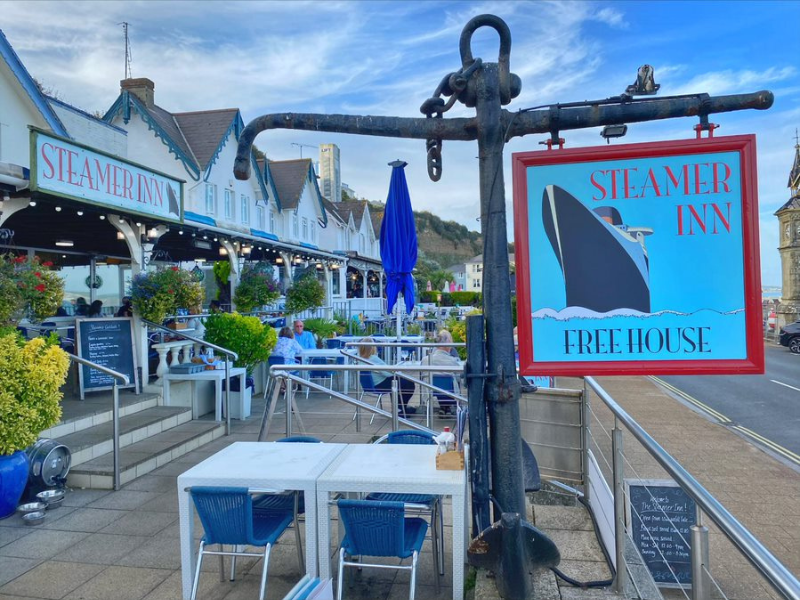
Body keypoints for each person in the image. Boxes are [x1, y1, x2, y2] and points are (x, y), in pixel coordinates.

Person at [358, 337, 416, 417]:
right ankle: (401, 408)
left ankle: (400, 408)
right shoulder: (373, 358)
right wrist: (396, 369)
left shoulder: (360, 359)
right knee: (409, 383)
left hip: (370, 385)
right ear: (372, 348)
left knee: (400, 381)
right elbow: (388, 373)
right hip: (380, 384)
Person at [423, 330, 461, 414]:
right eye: (451, 341)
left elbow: (422, 376)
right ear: (447, 343)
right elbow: (459, 377)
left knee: (439, 382)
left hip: (431, 390)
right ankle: (451, 407)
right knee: (453, 382)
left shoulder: (425, 360)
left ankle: (444, 407)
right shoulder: (452, 361)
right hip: (450, 391)